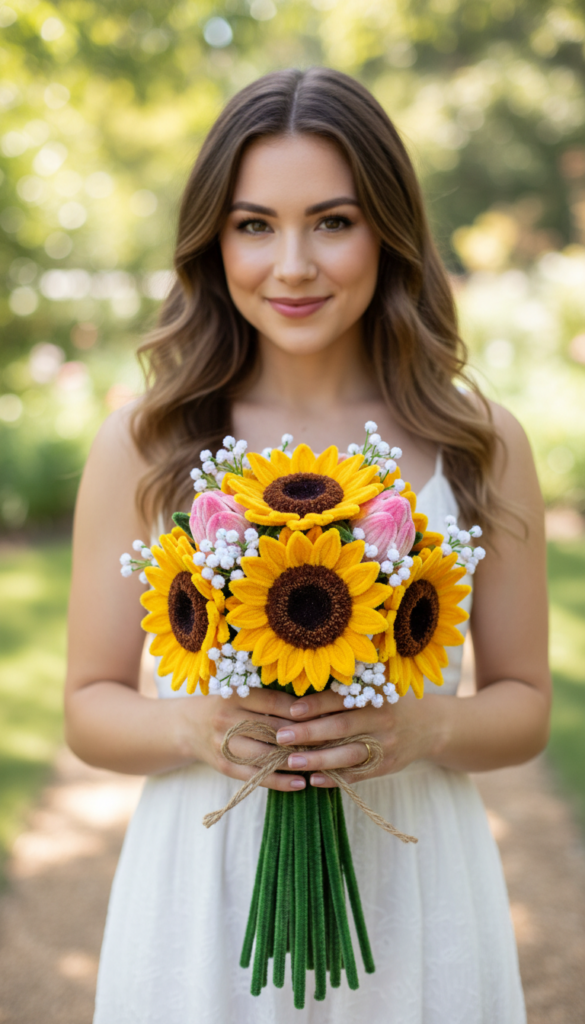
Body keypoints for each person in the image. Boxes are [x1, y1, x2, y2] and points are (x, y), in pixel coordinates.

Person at [65, 66, 551, 1024]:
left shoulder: (477, 443)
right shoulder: (146, 443)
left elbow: (525, 704)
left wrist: (427, 727)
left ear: (389, 231)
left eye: (331, 221)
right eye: (255, 225)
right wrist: (189, 727)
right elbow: (89, 705)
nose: (291, 265)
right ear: (215, 240)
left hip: (414, 876)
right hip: (203, 887)